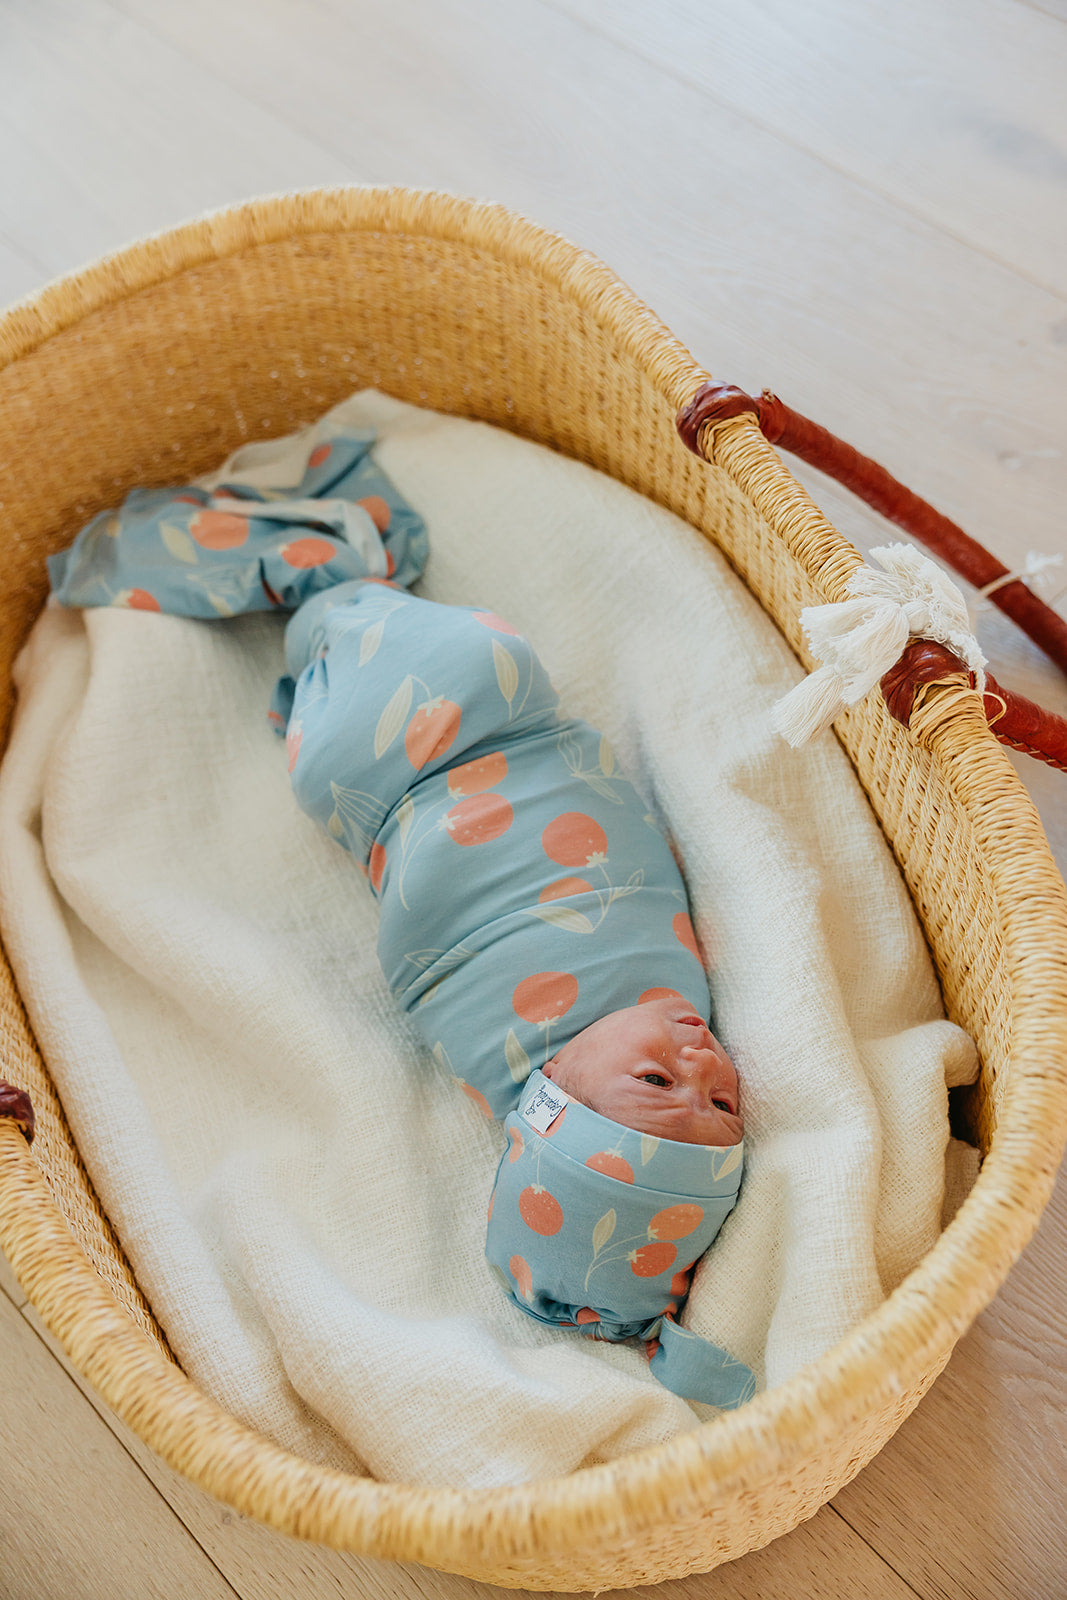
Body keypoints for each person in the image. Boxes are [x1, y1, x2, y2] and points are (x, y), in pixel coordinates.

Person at [48, 423, 754, 1407]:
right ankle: (327, 597)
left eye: (654, 1080)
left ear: (550, 1095)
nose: (702, 1063)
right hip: (408, 769)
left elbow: (433, 946)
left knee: (450, 643)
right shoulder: (656, 1019)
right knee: (392, 636)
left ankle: (319, 568)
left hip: (438, 746)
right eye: (720, 1105)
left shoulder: (510, 1045)